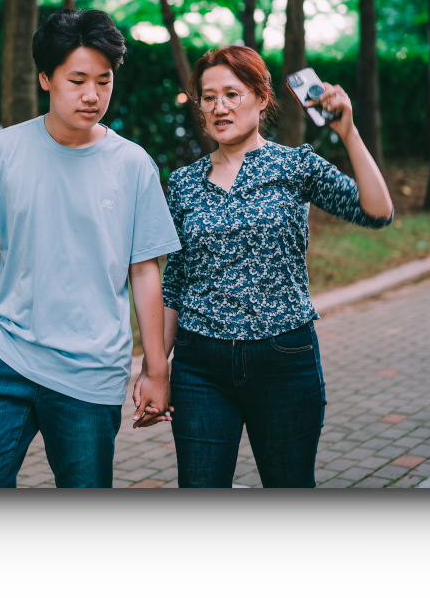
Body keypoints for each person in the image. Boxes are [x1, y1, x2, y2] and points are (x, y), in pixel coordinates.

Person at [0, 8, 181, 488]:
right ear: (46, 78)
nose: (92, 95)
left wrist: (157, 369)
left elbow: (144, 271)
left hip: (90, 371)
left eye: (104, 81)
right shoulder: (4, 150)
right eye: (77, 80)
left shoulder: (133, 165)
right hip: (3, 353)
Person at [134, 45, 393, 487]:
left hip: (284, 361)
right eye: (208, 97)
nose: (219, 107)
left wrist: (348, 132)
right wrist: (153, 370)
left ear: (261, 98)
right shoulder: (183, 183)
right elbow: (174, 283)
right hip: (200, 367)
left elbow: (377, 212)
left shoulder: (296, 166)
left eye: (232, 94)